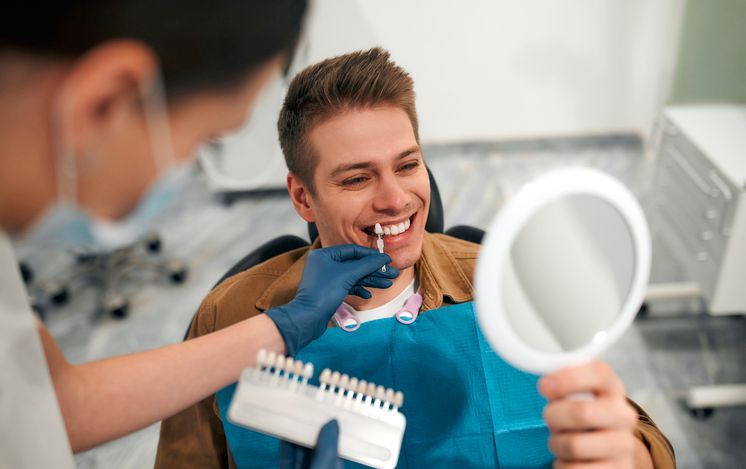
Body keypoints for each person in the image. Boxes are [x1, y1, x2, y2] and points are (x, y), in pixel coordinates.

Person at [156, 48, 675, 468]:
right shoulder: (230, 317)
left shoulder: (507, 285)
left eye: (407, 165)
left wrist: (625, 453)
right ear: (303, 197)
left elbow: (644, 444)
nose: (396, 199)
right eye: (357, 178)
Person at [0, 2, 395, 467]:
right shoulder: (223, 308)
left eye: (408, 164)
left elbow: (50, 406)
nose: (392, 198)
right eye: (205, 137)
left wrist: (282, 328)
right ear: (103, 104)